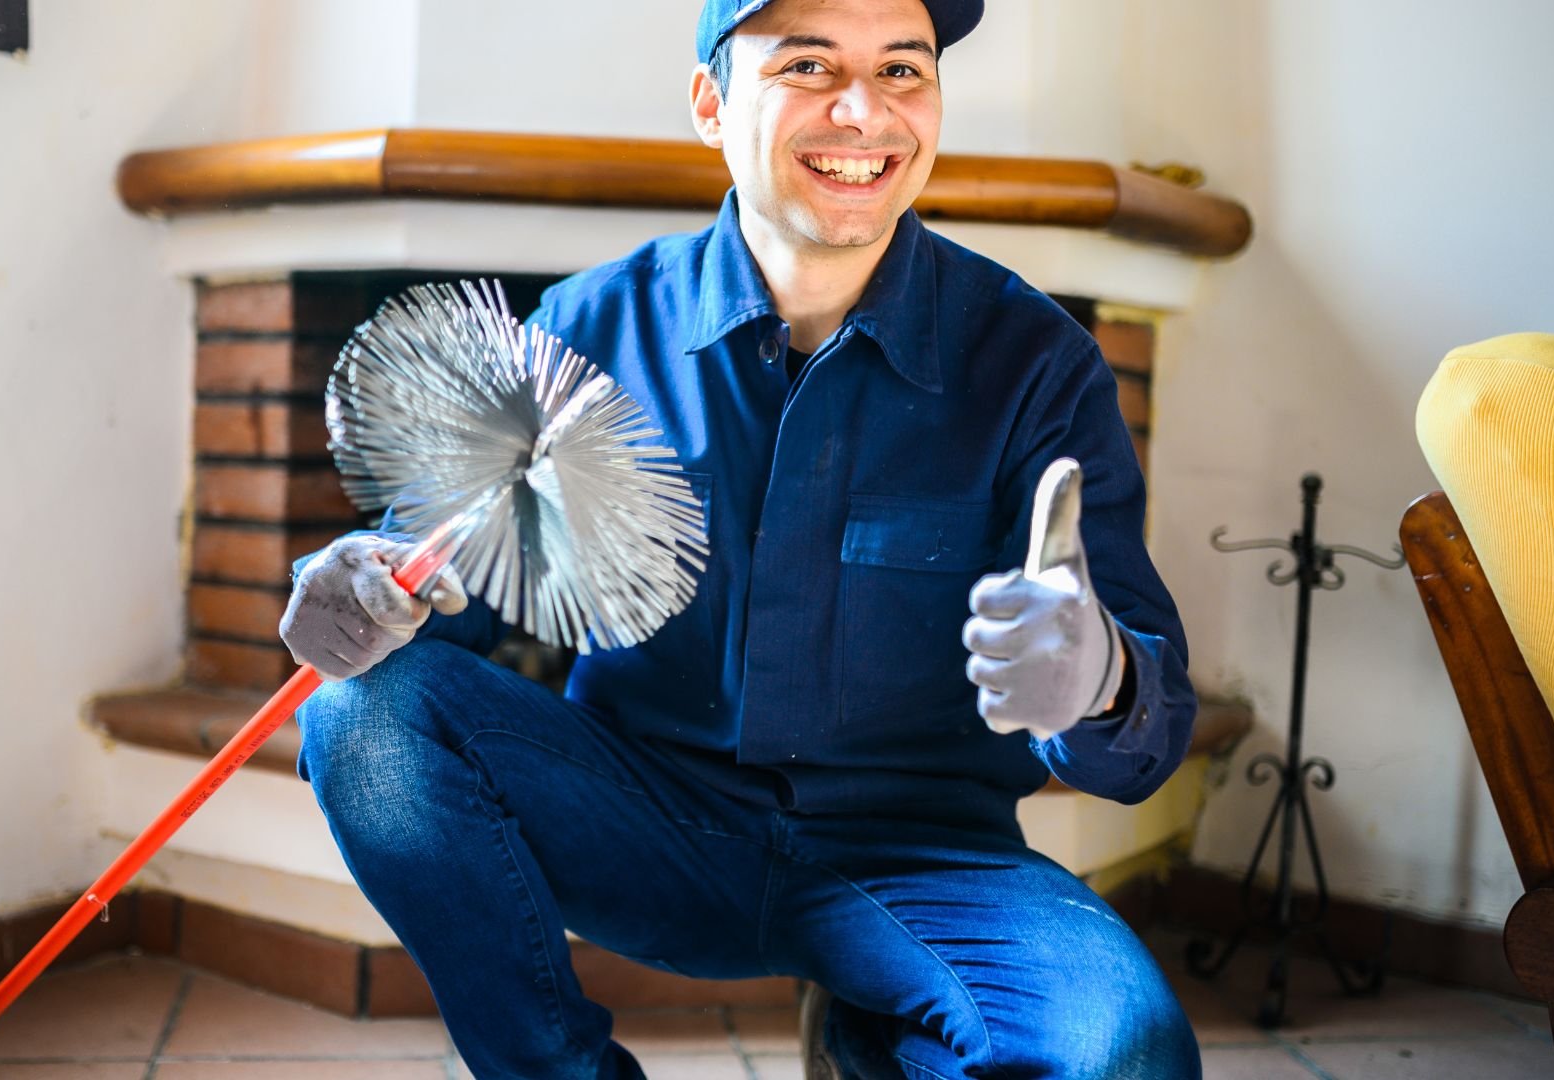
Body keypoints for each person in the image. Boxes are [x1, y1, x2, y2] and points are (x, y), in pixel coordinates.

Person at [279, 0, 1201, 1075]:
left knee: (1120, 1052)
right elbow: (432, 593)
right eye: (808, 65)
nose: (863, 113)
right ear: (711, 105)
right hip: (643, 820)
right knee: (364, 709)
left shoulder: (1036, 365)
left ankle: (879, 1029)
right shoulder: (581, 336)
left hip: (924, 859)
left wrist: (1098, 677)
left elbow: (1145, 737)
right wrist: (356, 590)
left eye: (904, 71)